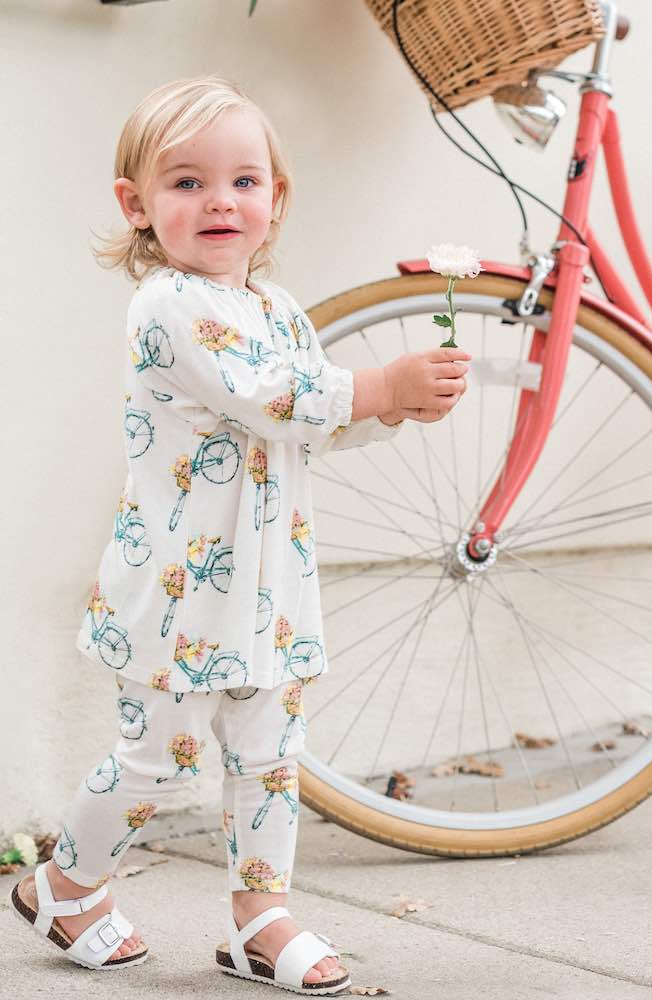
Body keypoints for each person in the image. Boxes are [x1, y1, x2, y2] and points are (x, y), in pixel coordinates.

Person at [9, 75, 471, 994]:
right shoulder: (170, 309)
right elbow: (271, 396)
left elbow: (308, 424)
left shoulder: (279, 309)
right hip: (182, 591)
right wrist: (377, 386)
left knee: (271, 761)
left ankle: (263, 916)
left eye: (244, 181)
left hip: (269, 590)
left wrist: (392, 412)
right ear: (137, 207)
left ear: (275, 198)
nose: (220, 200)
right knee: (157, 757)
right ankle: (66, 884)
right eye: (185, 184)